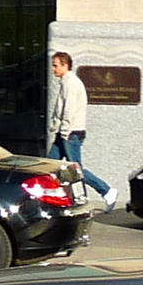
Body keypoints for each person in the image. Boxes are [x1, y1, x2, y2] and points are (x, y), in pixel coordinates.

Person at [48, 51, 119, 212]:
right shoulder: (66, 82)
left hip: (70, 134)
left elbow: (68, 111)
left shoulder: (71, 83)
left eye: (56, 65)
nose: (53, 69)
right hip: (65, 133)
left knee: (75, 170)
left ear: (65, 65)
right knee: (50, 166)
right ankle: (56, 199)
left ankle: (106, 191)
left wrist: (64, 132)